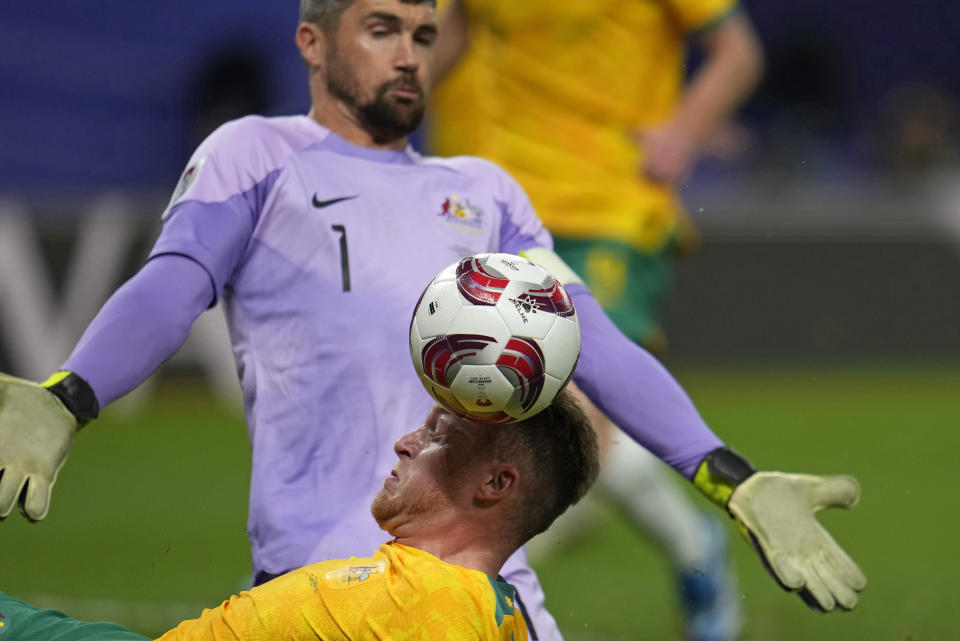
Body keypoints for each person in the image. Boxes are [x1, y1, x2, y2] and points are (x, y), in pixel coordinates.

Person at [0, 1, 863, 639]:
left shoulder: (487, 193)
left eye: (422, 33)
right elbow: (173, 282)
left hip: (488, 600)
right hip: (322, 597)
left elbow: (592, 341)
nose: (410, 55)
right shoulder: (258, 155)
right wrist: (68, 395)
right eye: (382, 30)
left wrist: (731, 476)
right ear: (311, 41)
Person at [426, 3, 763, 638]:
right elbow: (455, 33)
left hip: (606, 207)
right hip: (487, 205)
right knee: (488, 414)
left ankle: (693, 552)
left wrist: (684, 134)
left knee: (570, 408)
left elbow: (738, 50)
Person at [0, 392, 599, 641]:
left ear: (497, 484)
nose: (405, 443)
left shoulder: (423, 603)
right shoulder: (494, 611)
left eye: (440, 435)